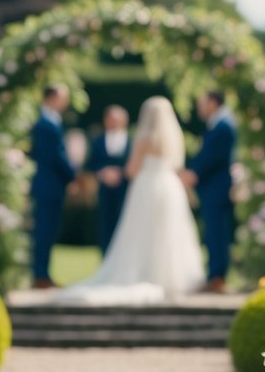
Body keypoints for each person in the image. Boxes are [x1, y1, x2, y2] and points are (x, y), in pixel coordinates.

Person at [58, 97, 205, 302]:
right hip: (170, 187)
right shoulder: (174, 136)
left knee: (142, 232)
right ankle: (171, 278)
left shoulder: (144, 138)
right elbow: (177, 164)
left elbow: (132, 169)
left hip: (147, 186)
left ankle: (145, 272)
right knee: (170, 232)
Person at [180, 91, 237, 293]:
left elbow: (212, 157)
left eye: (202, 103)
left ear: (213, 103)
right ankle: (214, 275)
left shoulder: (224, 125)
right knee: (213, 233)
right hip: (213, 189)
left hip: (217, 189)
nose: (199, 108)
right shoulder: (220, 124)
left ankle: (217, 277)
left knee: (217, 233)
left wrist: (194, 173)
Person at [29, 84, 76, 289]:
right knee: (44, 231)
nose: (65, 103)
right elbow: (55, 156)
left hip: (52, 187)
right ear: (52, 98)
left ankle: (44, 273)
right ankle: (40, 276)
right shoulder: (44, 124)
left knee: (48, 231)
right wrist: (73, 175)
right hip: (47, 187)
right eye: (62, 98)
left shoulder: (51, 122)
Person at [87, 105, 131, 254]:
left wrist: (121, 173)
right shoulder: (97, 141)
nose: (112, 122)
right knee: (105, 224)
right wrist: (103, 173)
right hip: (104, 190)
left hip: (125, 189)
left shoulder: (132, 141)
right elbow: (91, 163)